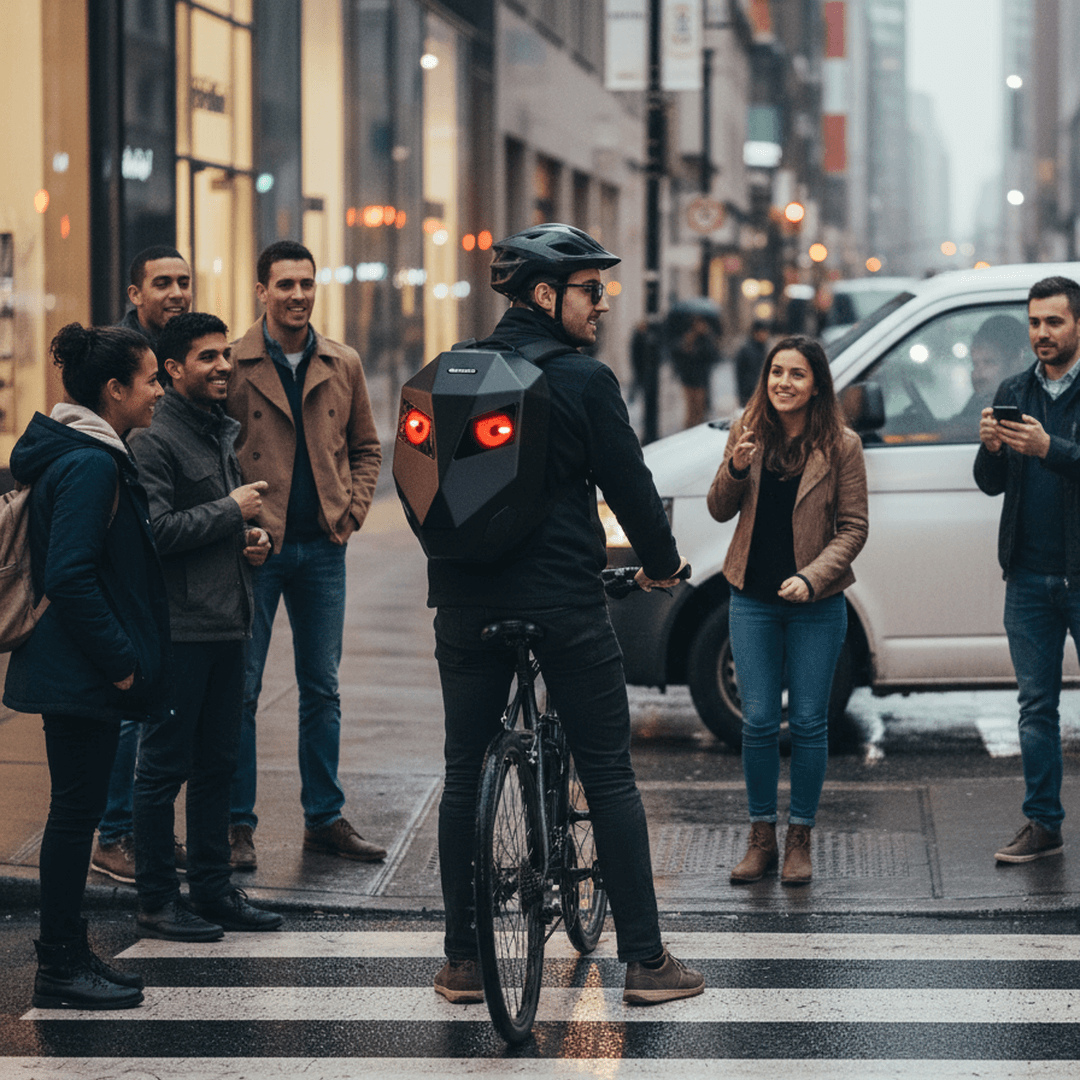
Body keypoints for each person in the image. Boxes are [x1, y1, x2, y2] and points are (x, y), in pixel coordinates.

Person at [428, 223, 704, 1007]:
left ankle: (462, 962)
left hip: (463, 603)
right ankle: (645, 963)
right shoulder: (584, 381)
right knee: (609, 774)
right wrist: (663, 565)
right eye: (590, 290)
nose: (602, 304)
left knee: (463, 772)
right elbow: (632, 491)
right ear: (544, 296)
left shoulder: (458, 372)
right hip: (562, 605)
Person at [3, 323, 170, 1008]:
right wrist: (122, 662)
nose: (159, 390)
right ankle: (59, 965)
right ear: (114, 389)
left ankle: (70, 953)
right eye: (151, 379)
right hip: (80, 671)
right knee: (75, 817)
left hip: (76, 667)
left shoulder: (86, 453)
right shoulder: (91, 463)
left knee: (76, 811)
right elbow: (70, 576)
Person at [225, 240, 384, 869]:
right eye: (285, 284)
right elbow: (215, 455)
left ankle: (324, 817)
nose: (297, 295)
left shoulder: (343, 362)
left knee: (322, 688)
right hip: (256, 551)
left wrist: (351, 511)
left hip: (322, 549)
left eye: (306, 284)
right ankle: (237, 825)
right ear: (261, 290)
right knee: (242, 690)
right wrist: (236, 526)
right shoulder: (232, 363)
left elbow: (367, 447)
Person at [128, 312, 283, 941]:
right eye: (208, 357)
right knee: (163, 769)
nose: (224, 366)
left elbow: (221, 525)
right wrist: (231, 510)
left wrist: (252, 541)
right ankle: (157, 901)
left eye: (225, 355)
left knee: (218, 764)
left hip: (228, 622)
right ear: (173, 368)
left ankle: (214, 892)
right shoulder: (153, 439)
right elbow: (157, 533)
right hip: (180, 631)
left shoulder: (218, 430)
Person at [707, 335, 868, 886]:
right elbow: (719, 509)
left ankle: (800, 837)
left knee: (807, 722)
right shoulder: (746, 432)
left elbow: (854, 528)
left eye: (797, 374)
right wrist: (735, 467)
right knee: (756, 721)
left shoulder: (842, 445)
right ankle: (761, 838)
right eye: (777, 372)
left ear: (816, 384)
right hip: (751, 599)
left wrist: (811, 577)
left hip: (815, 604)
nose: (784, 383)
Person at [93, 244, 193, 886]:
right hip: (128, 533)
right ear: (136, 293)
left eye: (183, 280)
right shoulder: (116, 355)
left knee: (160, 702)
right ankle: (113, 834)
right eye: (162, 283)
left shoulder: (186, 348)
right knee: (130, 701)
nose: (176, 292)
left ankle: (145, 828)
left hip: (168, 544)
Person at [974, 275, 1080, 864]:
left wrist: (1050, 450)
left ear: (1078, 326)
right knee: (1036, 708)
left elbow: (1059, 458)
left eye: (1054, 322)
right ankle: (1043, 824)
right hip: (1029, 577)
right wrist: (991, 448)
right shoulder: (1015, 388)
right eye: (1035, 322)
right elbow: (990, 484)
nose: (1042, 332)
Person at [119, 245, 193, 349]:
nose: (177, 294)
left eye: (184, 284)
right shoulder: (112, 351)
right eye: (162, 284)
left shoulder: (200, 344)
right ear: (135, 295)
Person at [670, 314, 722, 429]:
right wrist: (687, 343)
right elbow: (677, 355)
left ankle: (697, 430)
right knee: (690, 410)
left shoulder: (707, 338)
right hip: (687, 378)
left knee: (699, 410)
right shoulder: (686, 337)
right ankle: (690, 430)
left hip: (701, 379)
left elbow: (713, 356)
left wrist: (708, 336)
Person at [734, 320, 770, 407]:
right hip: (748, 393)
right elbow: (739, 374)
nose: (766, 335)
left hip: (761, 391)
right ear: (756, 333)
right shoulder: (745, 350)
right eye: (763, 332)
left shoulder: (763, 348)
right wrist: (741, 395)